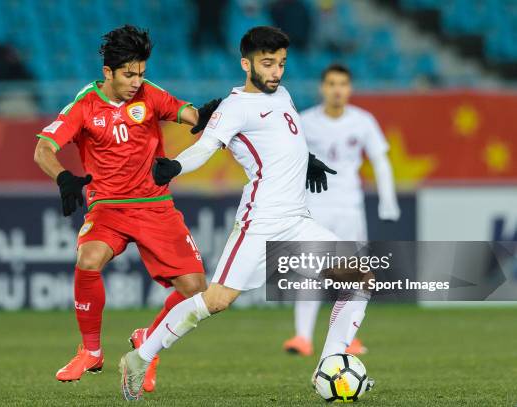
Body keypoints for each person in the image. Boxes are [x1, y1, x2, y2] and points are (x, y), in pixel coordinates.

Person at [118, 26, 374, 401]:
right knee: (215, 300)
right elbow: (205, 148)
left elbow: (284, 140)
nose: (275, 72)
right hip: (259, 222)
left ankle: (330, 365)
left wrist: (308, 161)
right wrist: (173, 166)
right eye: (268, 63)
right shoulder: (234, 107)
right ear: (246, 63)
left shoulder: (283, 94)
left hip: (297, 219)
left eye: (281, 64)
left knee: (360, 279)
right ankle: (140, 357)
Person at [33, 25, 221, 391]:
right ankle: (90, 351)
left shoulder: (150, 95)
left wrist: (206, 116)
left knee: (195, 288)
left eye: (141, 73)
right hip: (108, 208)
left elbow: (189, 114)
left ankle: (146, 339)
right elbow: (43, 149)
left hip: (155, 205)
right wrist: (63, 178)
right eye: (128, 74)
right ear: (108, 73)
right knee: (88, 259)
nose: (137, 81)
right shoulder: (84, 104)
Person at [283, 64, 400, 357]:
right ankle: (302, 337)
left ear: (349, 88)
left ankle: (348, 338)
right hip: (314, 206)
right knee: (309, 271)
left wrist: (388, 199)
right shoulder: (305, 121)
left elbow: (380, 160)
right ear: (322, 87)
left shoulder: (363, 121)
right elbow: (287, 160)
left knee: (353, 275)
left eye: (343, 84)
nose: (337, 89)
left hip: (350, 208)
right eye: (332, 83)